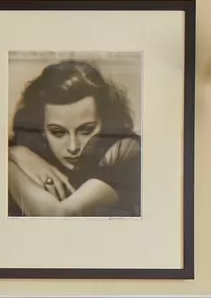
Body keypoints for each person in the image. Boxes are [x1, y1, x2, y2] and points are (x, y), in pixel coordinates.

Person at [8, 60, 141, 217]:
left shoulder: (125, 149)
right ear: (41, 129)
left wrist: (7, 168)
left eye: (86, 130)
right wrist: (17, 152)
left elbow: (58, 216)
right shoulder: (32, 147)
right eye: (58, 132)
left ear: (105, 120)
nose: (73, 147)